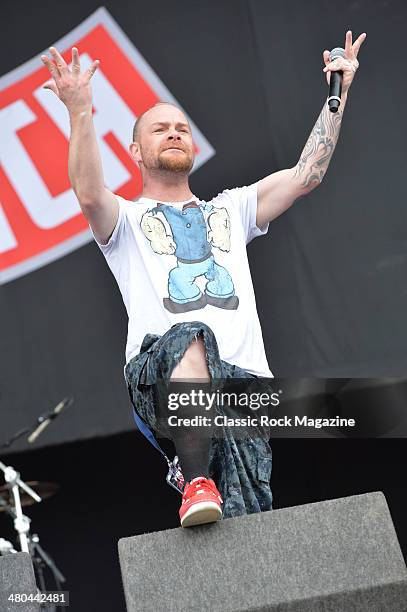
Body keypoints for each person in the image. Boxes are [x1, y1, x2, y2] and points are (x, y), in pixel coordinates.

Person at [41, 30, 366, 528]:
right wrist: (80, 111)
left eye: (181, 128)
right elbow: (88, 195)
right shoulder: (125, 220)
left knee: (246, 525)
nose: (173, 133)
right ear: (134, 150)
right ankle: (192, 480)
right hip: (161, 378)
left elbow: (307, 174)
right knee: (192, 336)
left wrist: (337, 91)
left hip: (243, 389)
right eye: (159, 129)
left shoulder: (232, 208)